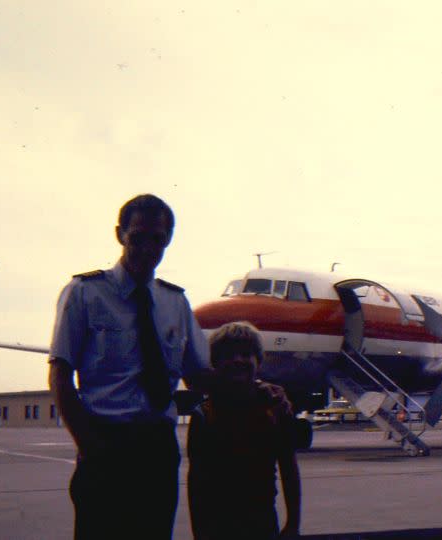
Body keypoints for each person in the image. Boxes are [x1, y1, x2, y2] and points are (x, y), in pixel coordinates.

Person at [49, 194, 215, 539]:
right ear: (120, 235)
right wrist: (88, 444)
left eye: (157, 238)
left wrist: (260, 388)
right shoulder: (84, 293)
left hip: (157, 450)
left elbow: (200, 374)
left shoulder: (175, 302)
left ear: (168, 240)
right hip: (105, 443)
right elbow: (60, 375)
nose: (147, 248)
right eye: (137, 237)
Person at [187, 322, 302, 539]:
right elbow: (196, 485)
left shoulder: (276, 408)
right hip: (216, 527)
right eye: (228, 355)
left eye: (245, 354)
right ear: (215, 363)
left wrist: (293, 524)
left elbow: (289, 468)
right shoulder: (204, 415)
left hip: (263, 523)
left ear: (258, 361)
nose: (237, 360)